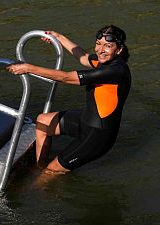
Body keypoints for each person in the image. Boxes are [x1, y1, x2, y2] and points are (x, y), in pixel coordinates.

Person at [8, 25, 131, 174]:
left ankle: (43, 180)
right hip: (86, 120)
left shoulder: (115, 71)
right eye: (98, 44)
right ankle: (38, 168)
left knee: (51, 172)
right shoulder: (104, 61)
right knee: (43, 121)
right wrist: (58, 37)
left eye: (108, 46)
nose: (100, 50)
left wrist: (28, 68)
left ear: (119, 50)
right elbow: (84, 57)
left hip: (98, 137)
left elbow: (66, 77)